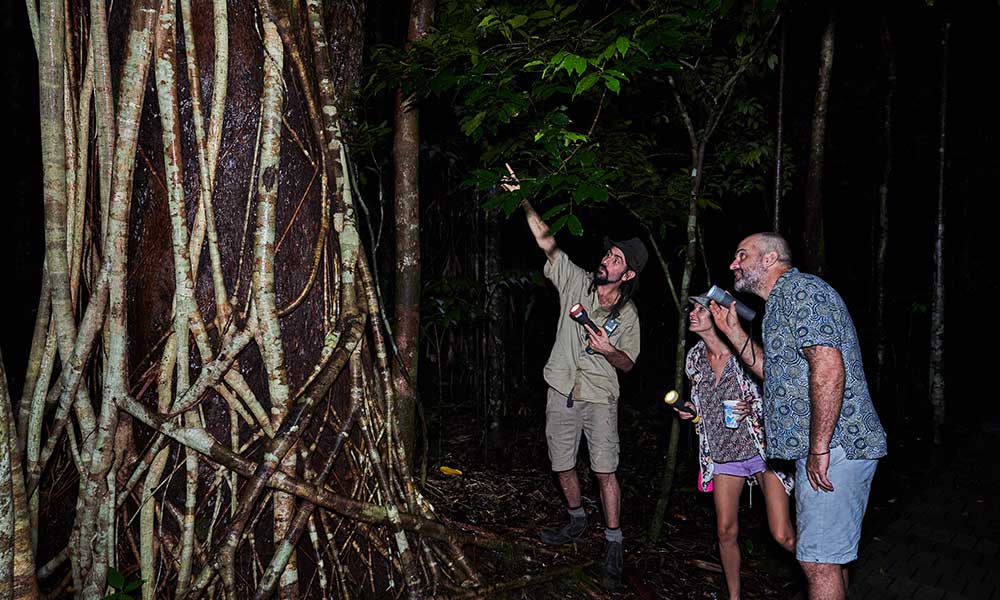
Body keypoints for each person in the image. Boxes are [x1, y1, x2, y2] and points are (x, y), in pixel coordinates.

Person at [711, 232, 887, 600]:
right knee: (825, 559)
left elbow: (828, 366)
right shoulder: (780, 304)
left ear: (770, 259)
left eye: (741, 255)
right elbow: (772, 372)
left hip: (836, 447)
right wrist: (734, 333)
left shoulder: (801, 292)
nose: (733, 264)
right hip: (826, 450)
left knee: (818, 562)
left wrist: (819, 447)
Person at [501, 164, 644, 590]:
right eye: (608, 254)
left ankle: (614, 542)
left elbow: (630, 365)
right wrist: (523, 198)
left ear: (628, 274)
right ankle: (577, 520)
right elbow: (548, 242)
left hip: (600, 397)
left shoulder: (629, 315)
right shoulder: (576, 281)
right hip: (561, 389)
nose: (606, 260)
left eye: (616, 259)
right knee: (562, 464)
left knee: (604, 471)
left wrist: (609, 350)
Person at [674, 294, 796, 600]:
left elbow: (779, 394)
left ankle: (824, 571)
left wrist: (752, 407)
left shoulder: (743, 351)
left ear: (716, 316)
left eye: (700, 309)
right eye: (693, 308)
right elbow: (703, 404)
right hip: (723, 454)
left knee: (782, 534)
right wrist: (691, 410)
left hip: (760, 451)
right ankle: (734, 597)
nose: (693, 313)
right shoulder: (694, 359)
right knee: (726, 532)